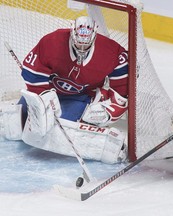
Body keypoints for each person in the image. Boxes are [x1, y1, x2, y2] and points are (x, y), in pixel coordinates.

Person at [0, 16, 129, 164]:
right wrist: (43, 97)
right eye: (78, 44)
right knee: (19, 121)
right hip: (49, 91)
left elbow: (122, 89)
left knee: (56, 129)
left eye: (85, 45)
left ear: (94, 36)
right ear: (72, 32)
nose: (81, 49)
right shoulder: (52, 41)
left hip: (80, 96)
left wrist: (109, 110)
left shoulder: (111, 51)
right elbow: (32, 72)